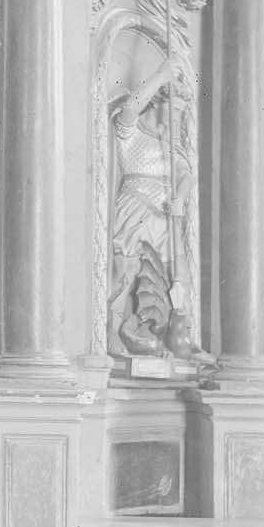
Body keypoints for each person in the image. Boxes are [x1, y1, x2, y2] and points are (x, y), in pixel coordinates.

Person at [109, 56, 193, 355]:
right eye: (174, 112)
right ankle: (112, 331)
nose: (176, 121)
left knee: (172, 276)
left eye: (180, 114)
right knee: (127, 269)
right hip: (135, 208)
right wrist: (161, 75)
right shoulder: (131, 135)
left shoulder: (171, 147)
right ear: (157, 105)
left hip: (165, 215)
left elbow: (186, 174)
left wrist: (179, 197)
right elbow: (130, 108)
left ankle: (167, 333)